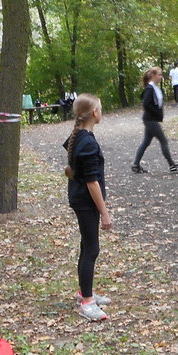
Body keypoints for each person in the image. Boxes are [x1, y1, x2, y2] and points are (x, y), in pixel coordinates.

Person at [64, 94, 112, 321]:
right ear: (94, 113)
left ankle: (85, 292)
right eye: (100, 108)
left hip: (80, 199)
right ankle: (87, 303)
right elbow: (92, 182)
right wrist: (104, 212)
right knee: (92, 249)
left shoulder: (80, 136)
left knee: (87, 245)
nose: (101, 112)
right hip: (86, 202)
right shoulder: (87, 142)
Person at [131, 67, 178, 174]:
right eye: (159, 75)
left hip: (152, 119)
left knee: (146, 142)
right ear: (153, 76)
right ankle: (172, 165)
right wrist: (156, 113)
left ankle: (135, 165)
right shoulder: (150, 88)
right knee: (163, 140)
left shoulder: (154, 87)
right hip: (150, 120)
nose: (161, 77)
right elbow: (146, 104)